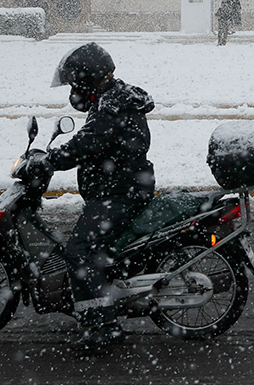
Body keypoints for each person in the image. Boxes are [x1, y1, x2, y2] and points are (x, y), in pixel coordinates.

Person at [39, 42, 156, 352]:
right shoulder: (111, 98)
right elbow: (90, 141)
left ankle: (102, 327)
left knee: (80, 252)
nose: (73, 91)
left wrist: (52, 160)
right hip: (120, 188)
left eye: (75, 83)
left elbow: (88, 142)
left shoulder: (112, 104)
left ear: (88, 78)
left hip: (120, 193)